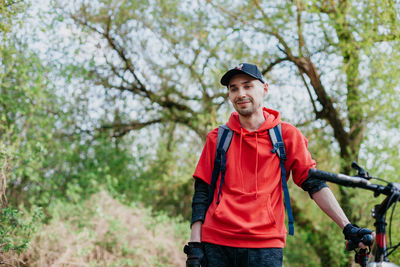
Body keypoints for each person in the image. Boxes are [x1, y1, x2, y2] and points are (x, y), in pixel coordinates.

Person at [184, 63, 372, 267]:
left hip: (265, 244)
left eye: (247, 86)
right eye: (234, 88)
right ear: (229, 95)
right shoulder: (217, 138)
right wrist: (195, 244)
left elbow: (314, 184)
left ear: (264, 89)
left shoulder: (286, 136)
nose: (241, 93)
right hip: (217, 242)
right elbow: (202, 192)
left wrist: (347, 227)